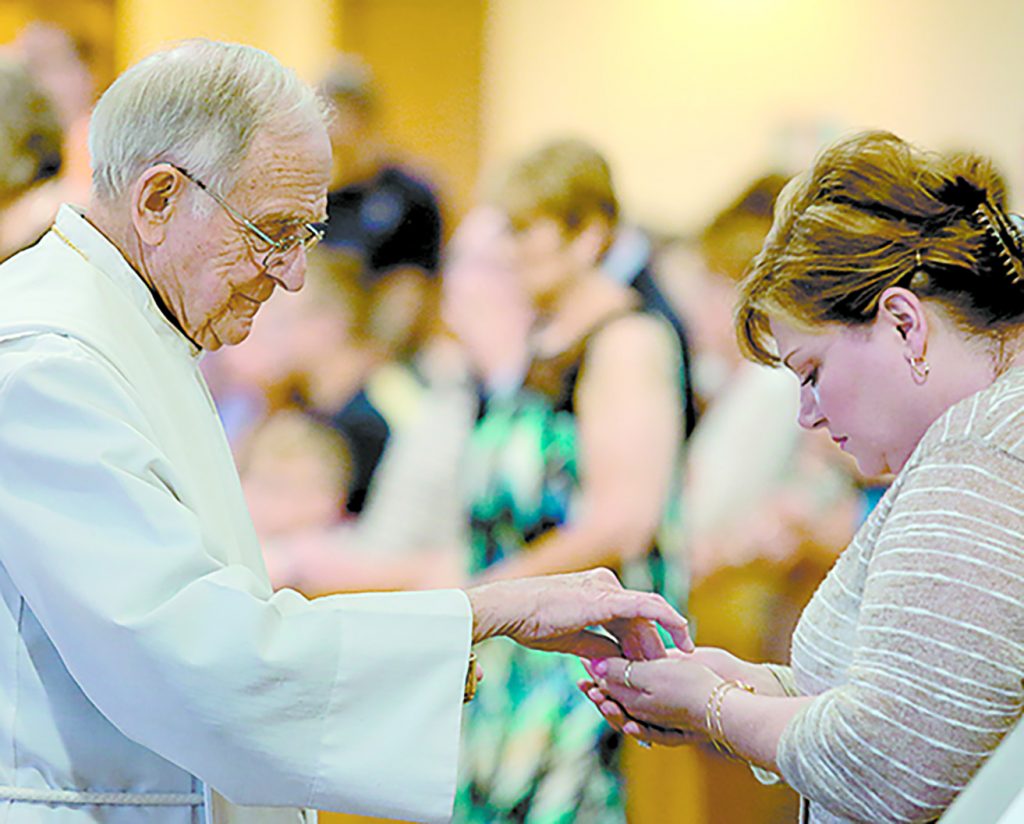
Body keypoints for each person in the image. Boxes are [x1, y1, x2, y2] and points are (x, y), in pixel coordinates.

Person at [0, 39, 693, 824]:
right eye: (272, 231)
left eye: (309, 235)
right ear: (158, 199)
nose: (293, 273)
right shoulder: (49, 359)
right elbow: (197, 657)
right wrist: (484, 611)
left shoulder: (130, 326)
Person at [581, 131, 1024, 823]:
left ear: (905, 324)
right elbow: (932, 708)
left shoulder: (978, 462)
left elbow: (889, 768)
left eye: (812, 372)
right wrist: (751, 686)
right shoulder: (980, 439)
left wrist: (716, 708)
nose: (808, 413)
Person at [454, 141, 687, 821]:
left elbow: (625, 520)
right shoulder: (537, 343)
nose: (508, 250)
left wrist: (483, 600)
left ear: (588, 234)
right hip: (512, 657)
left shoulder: (627, 340)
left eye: (525, 230)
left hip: (581, 666)